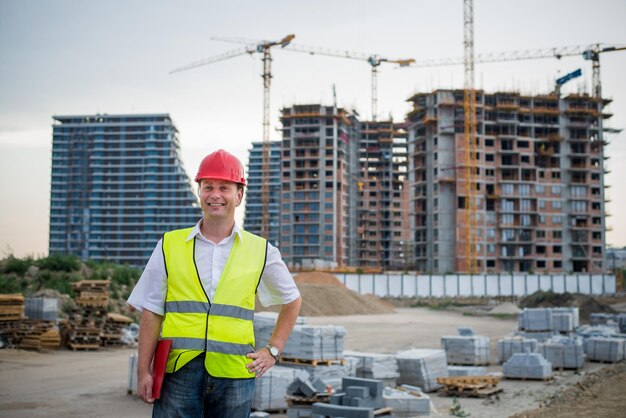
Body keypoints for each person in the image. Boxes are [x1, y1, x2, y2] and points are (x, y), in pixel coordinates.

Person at [127, 149, 302, 418]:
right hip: (179, 371)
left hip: (234, 374)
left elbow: (292, 300)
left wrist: (273, 350)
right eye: (208, 187)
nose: (215, 194)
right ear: (199, 192)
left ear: (239, 195)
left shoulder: (261, 250)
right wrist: (144, 371)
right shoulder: (170, 245)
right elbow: (152, 310)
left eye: (224, 187)